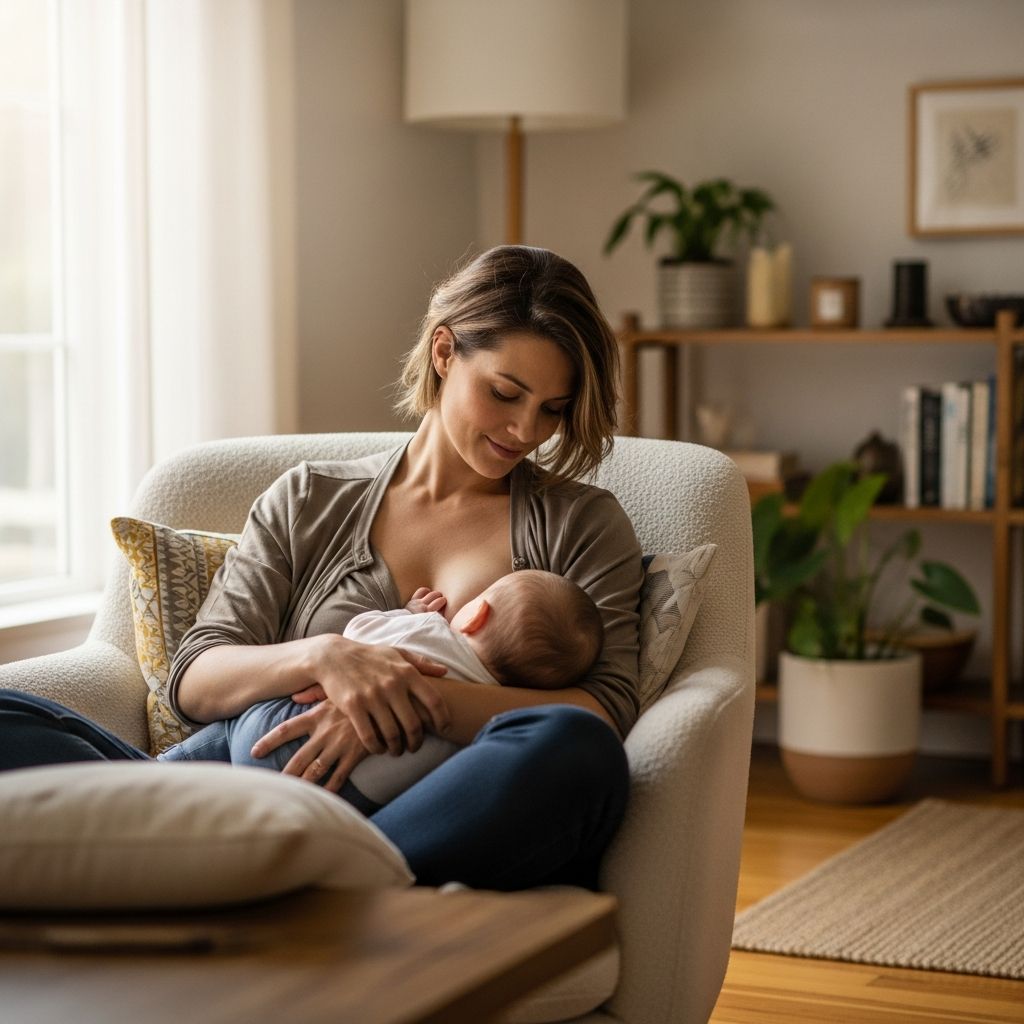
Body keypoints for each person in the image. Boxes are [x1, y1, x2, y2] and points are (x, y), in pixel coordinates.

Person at [0, 245, 643, 891]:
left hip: (427, 808)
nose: (526, 430)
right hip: (232, 778)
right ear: (445, 353)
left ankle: (304, 879)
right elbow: (195, 678)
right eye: (505, 393)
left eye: (552, 409)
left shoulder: (580, 523)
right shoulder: (309, 499)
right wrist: (326, 658)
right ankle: (255, 881)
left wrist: (421, 703)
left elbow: (601, 710)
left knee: (577, 753)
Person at [158, 569, 605, 815]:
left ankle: (158, 770)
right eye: (504, 393)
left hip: (273, 735)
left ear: (474, 616)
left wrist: (405, 614)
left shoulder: (430, 629)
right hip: (346, 804)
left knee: (234, 724)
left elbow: (359, 633)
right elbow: (195, 675)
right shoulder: (488, 718)